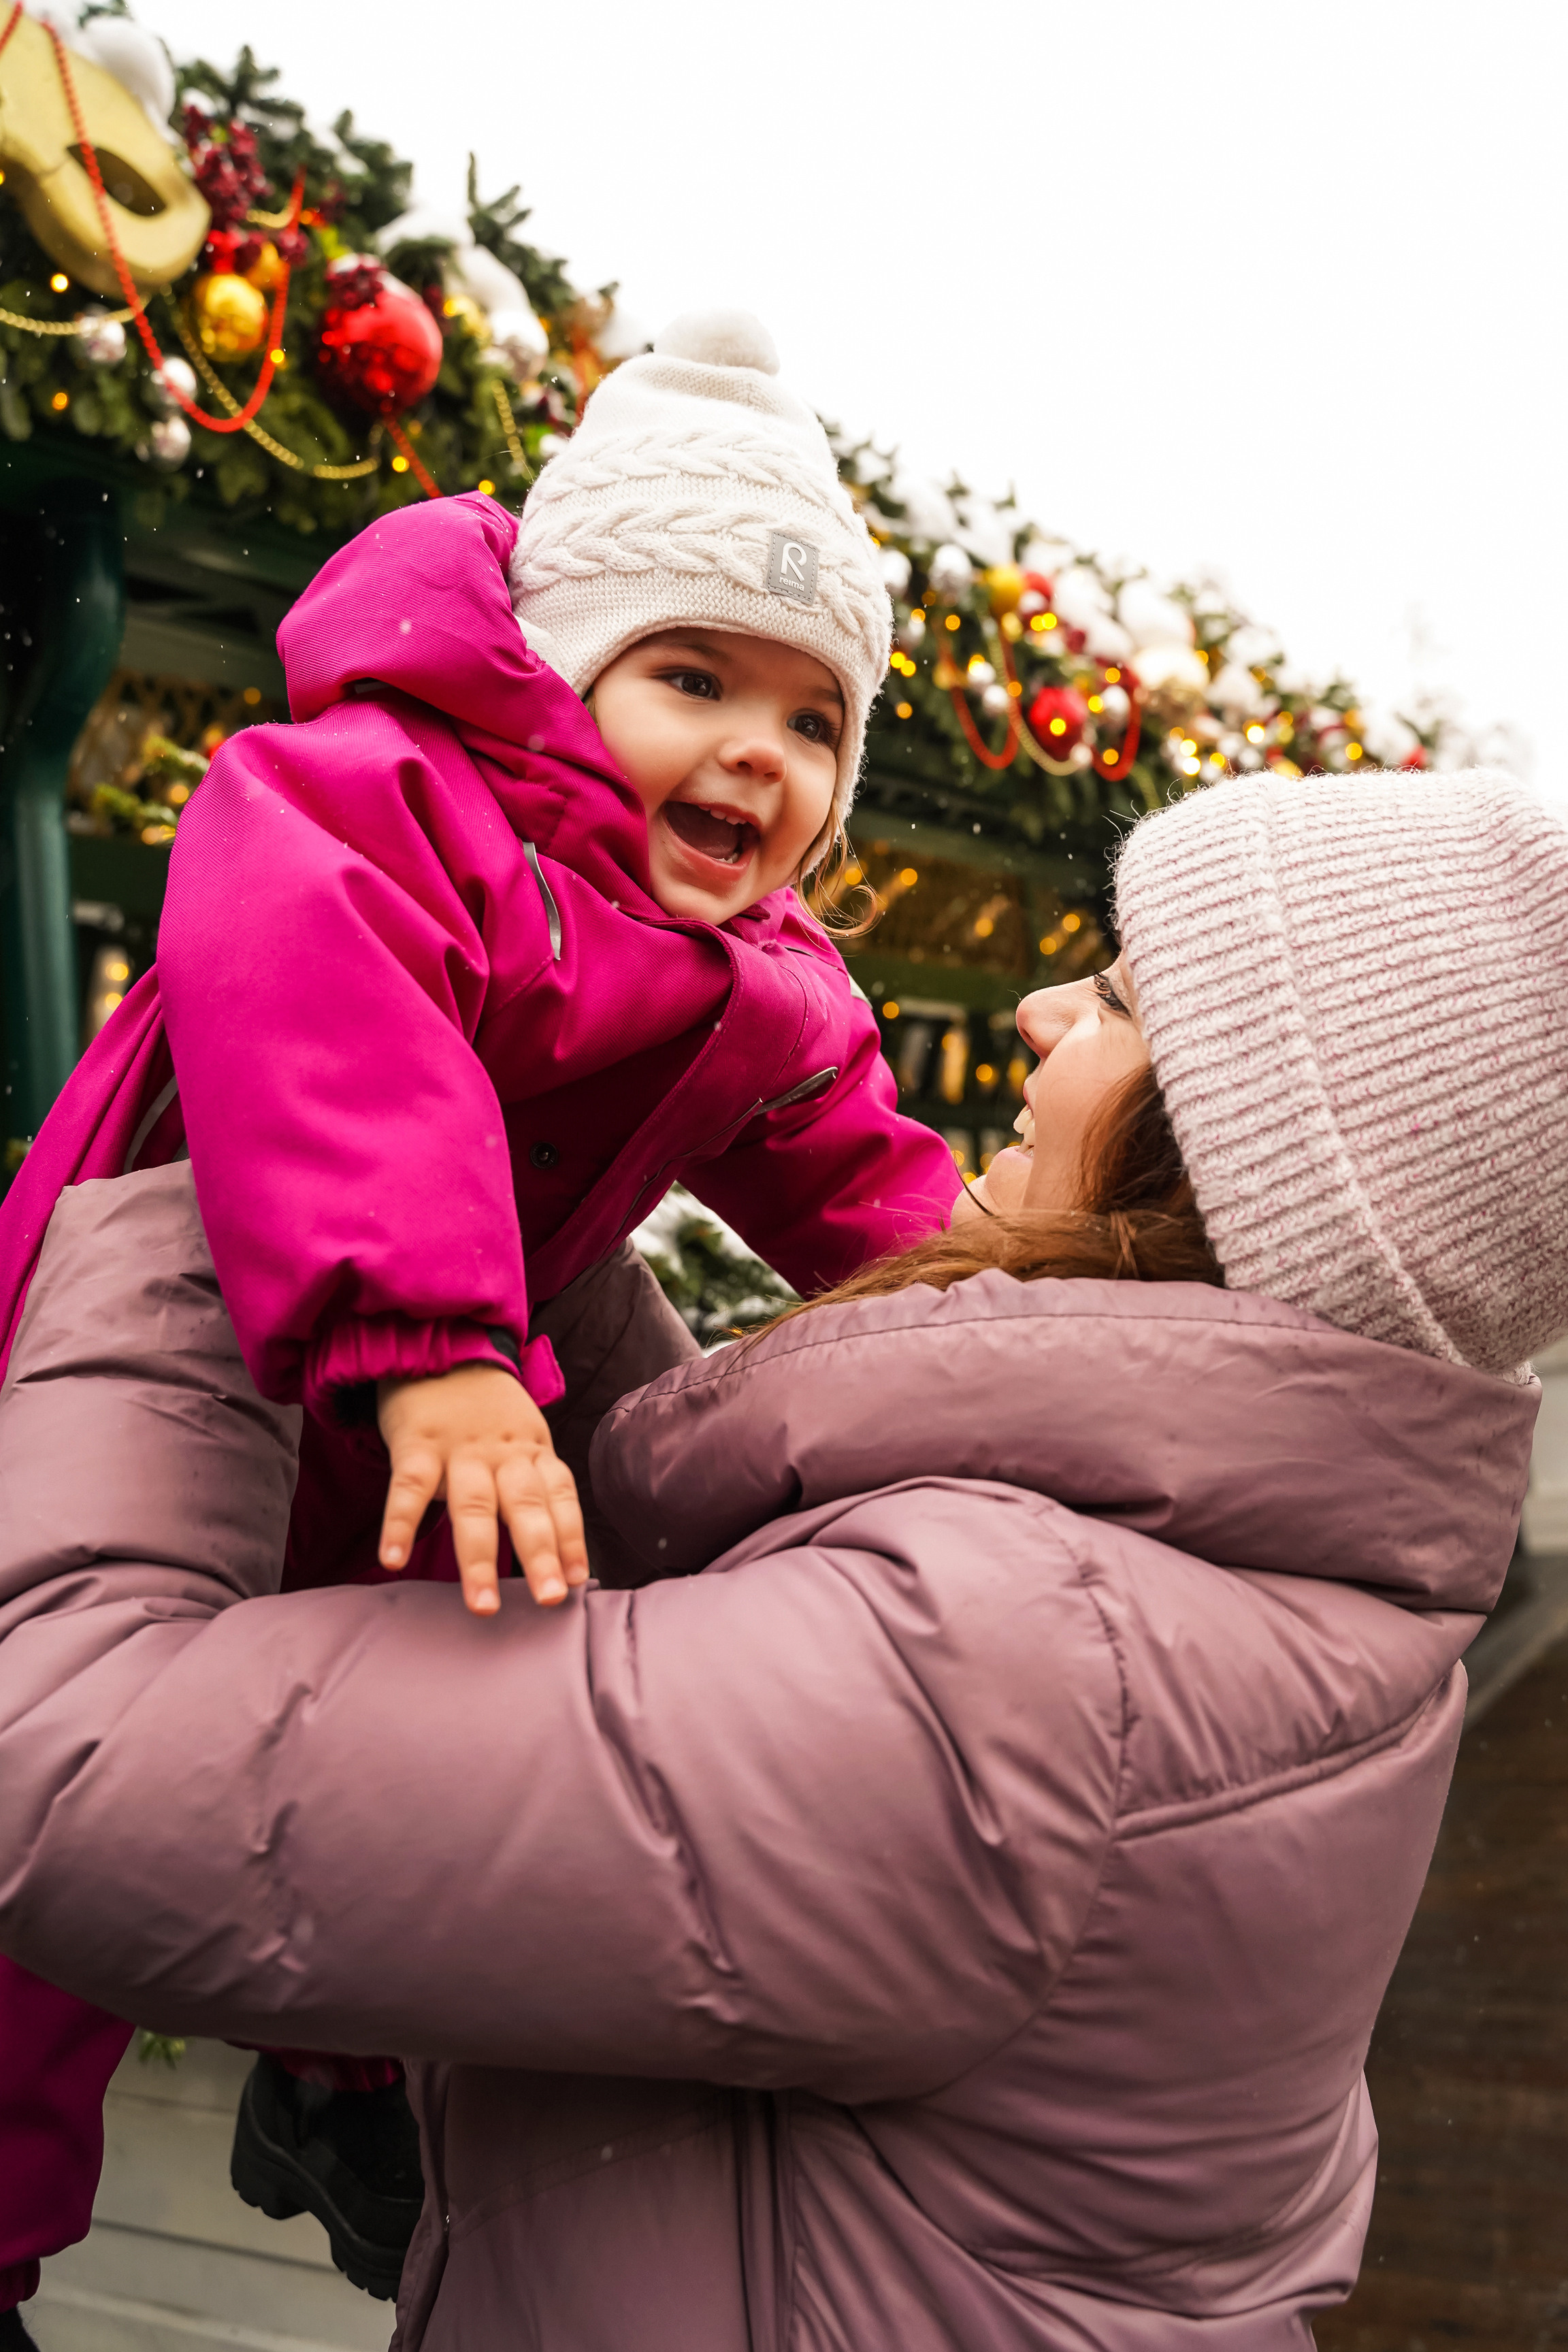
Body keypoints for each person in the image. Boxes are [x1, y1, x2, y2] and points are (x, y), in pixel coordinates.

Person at [1, 765, 1560, 2347]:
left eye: (1115, 998)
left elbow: (68, 1759)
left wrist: (238, 1152)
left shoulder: (1020, 1680)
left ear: (1232, 1163)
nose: (1031, 1009)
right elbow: (728, 1601)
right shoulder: (1229, 1593)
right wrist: (506, 1218)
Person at [0, 309, 963, 2322]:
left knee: (411, 1709)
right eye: (690, 677)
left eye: (807, 722)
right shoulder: (385, 798)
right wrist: (436, 1336)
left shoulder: (758, 980)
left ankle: (348, 2083)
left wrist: (1030, 1335)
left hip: (423, 1402)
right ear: (560, 665)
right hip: (174, 1342)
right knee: (53, 1837)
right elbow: (324, 1000)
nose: (751, 755)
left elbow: (879, 1197)